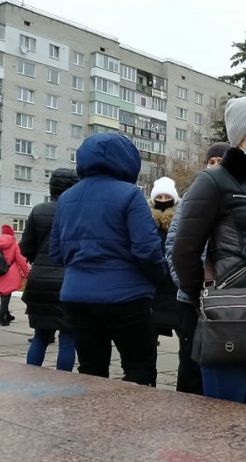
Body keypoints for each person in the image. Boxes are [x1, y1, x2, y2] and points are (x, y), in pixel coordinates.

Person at [172, 95, 246, 408]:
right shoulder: (213, 181)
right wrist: (207, 298)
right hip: (230, 321)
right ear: (240, 135)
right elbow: (184, 251)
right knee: (225, 426)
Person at [51, 132, 167, 386]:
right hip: (127, 297)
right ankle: (134, 423)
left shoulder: (67, 198)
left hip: (77, 297)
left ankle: (94, 422)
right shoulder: (130, 194)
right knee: (139, 368)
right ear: (127, 160)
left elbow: (56, 253)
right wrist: (160, 278)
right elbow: (147, 249)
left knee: (91, 370)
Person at [164, 146, 228, 395]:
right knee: (190, 363)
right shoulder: (193, 196)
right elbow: (173, 246)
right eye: (210, 160)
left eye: (220, 160)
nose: (214, 165)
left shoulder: (235, 195)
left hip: (225, 298)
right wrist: (188, 286)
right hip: (190, 297)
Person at [20, 168, 79, 372]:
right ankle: (63, 381)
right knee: (68, 338)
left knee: (41, 336)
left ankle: (31, 377)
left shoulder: (38, 210)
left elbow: (25, 248)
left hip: (39, 281)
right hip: (68, 281)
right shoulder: (76, 212)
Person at [148, 176, 181, 347]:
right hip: (154, 282)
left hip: (174, 282)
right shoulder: (146, 218)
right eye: (159, 197)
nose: (163, 201)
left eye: (167, 197)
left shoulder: (180, 218)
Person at [0, 225, 29, 326]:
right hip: (10, 272)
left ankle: (7, 314)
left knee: (3, 294)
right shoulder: (14, 244)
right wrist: (28, 274)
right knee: (6, 294)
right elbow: (21, 261)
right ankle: (2, 317)